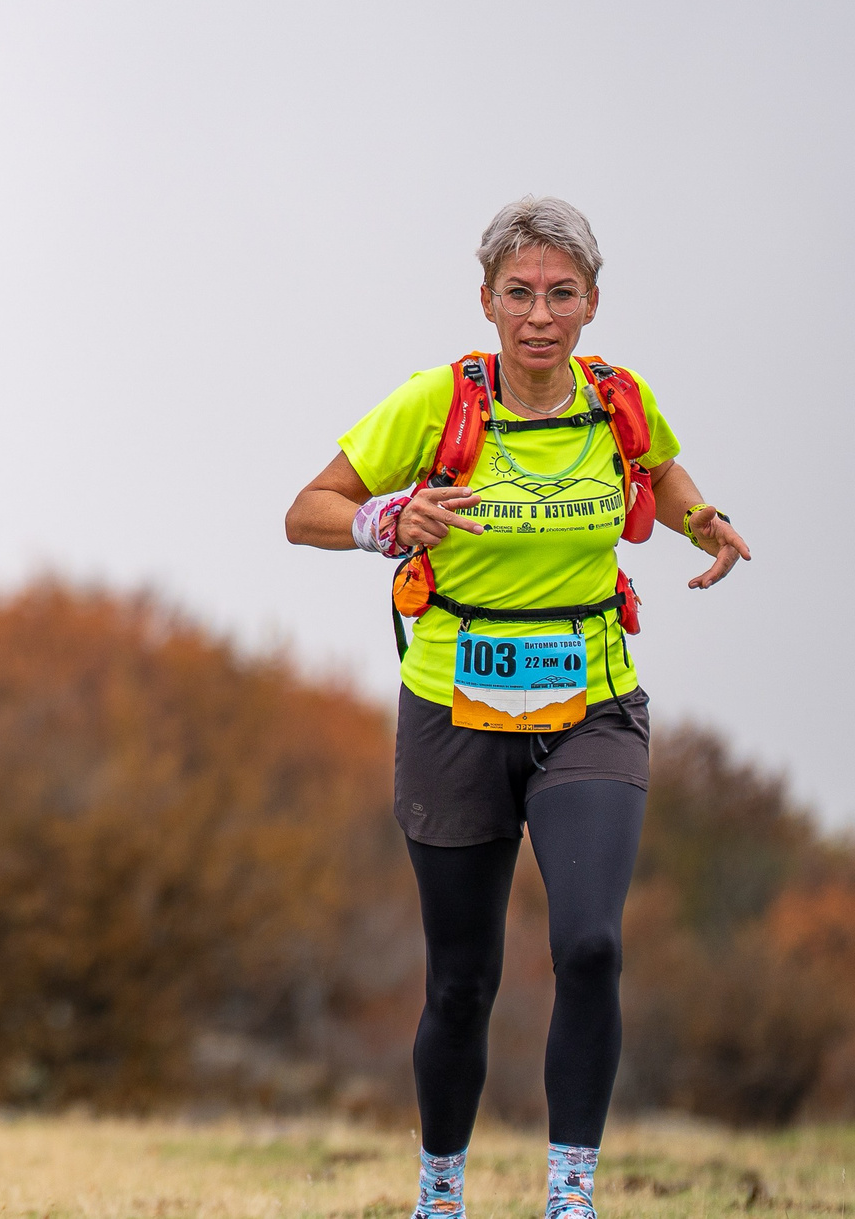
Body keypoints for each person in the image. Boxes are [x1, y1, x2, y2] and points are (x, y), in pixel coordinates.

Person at [286, 196, 751, 1219]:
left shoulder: (617, 401)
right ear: (487, 302)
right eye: (518, 294)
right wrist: (387, 518)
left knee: (589, 945)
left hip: (591, 703)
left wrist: (705, 522)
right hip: (452, 710)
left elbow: (660, 474)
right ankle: (440, 1194)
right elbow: (304, 512)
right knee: (461, 981)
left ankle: (569, 1197)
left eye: (560, 294)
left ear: (590, 305)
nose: (539, 315)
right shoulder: (434, 404)